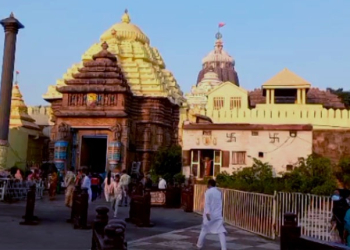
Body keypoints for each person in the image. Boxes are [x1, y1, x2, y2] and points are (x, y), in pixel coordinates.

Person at [197, 179, 227, 250]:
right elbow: (220, 203)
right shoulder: (219, 192)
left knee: (204, 230)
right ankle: (224, 248)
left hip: (209, 214)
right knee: (221, 231)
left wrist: (207, 213)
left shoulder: (208, 192)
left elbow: (207, 203)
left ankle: (199, 245)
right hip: (217, 214)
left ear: (209, 184)